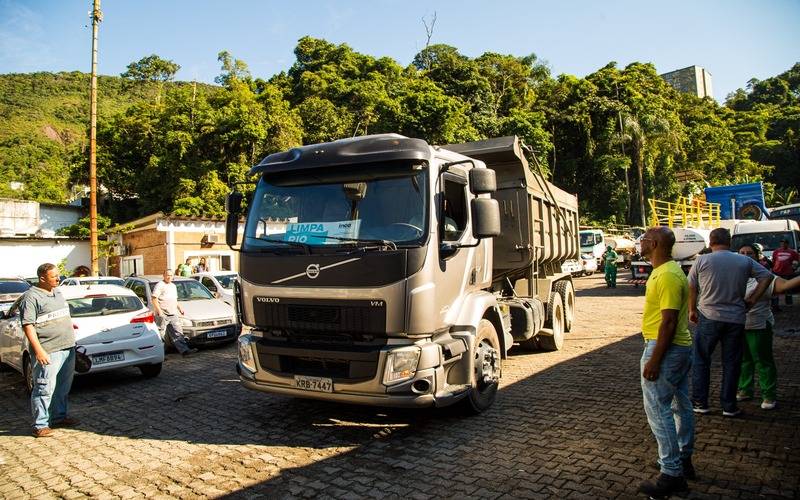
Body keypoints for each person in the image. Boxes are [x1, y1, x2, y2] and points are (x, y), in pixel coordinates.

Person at [687, 227, 773, 417]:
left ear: (710, 242)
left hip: (708, 316)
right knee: (732, 363)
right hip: (735, 318)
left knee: (702, 360)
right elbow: (766, 276)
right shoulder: (744, 260)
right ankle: (729, 406)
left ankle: (700, 402)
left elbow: (691, 285)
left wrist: (692, 309)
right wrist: (752, 299)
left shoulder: (702, 260)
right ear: (730, 242)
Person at [637, 227, 694, 498]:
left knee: (659, 410)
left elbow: (668, 321)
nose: (640, 242)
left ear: (656, 243)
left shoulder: (669, 275)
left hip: (667, 350)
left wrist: (655, 359)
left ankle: (671, 473)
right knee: (680, 406)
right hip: (677, 349)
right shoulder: (665, 271)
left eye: (644, 239)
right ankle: (682, 461)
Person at [737, 244, 800, 410]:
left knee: (763, 360)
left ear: (757, 257)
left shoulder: (765, 276)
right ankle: (745, 389)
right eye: (742, 253)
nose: (745, 256)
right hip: (737, 325)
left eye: (749, 253)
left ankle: (769, 395)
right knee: (744, 360)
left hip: (759, 324)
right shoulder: (734, 275)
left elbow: (785, 285)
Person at [20, 263, 79, 437]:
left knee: (62, 386)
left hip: (67, 346)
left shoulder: (57, 292)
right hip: (48, 349)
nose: (58, 278)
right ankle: (40, 425)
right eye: (54, 276)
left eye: (58, 275)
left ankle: (59, 416)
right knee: (44, 387)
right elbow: (28, 325)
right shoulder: (31, 297)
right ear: (42, 278)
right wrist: (39, 350)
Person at [152, 269, 197, 356]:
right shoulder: (160, 285)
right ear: (163, 275)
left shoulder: (173, 286)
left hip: (173, 313)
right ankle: (160, 355)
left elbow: (175, 299)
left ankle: (184, 351)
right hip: (162, 314)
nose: (169, 277)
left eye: (171, 275)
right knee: (161, 335)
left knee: (178, 332)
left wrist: (180, 308)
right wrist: (159, 311)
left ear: (173, 277)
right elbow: (154, 299)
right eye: (167, 275)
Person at [771, 238, 799, 306]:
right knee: (776, 288)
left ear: (787, 244)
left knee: (788, 288)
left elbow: (797, 260)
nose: (783, 244)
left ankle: (789, 303)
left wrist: (794, 267)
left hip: (788, 273)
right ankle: (775, 305)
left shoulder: (792, 252)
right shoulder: (776, 251)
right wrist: (773, 269)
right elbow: (773, 261)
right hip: (777, 272)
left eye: (784, 243)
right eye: (781, 243)